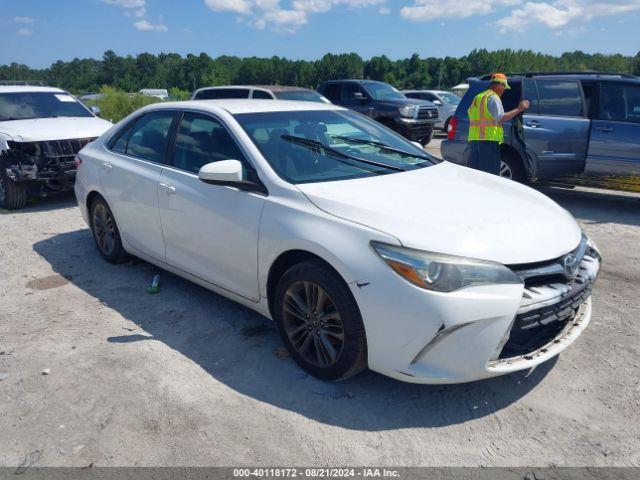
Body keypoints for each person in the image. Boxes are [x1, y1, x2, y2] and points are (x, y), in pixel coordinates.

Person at [467, 73, 529, 175]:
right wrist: (519, 109)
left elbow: (470, 114)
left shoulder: (478, 97)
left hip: (474, 141)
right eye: (504, 87)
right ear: (499, 85)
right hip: (488, 141)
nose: (504, 90)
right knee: (490, 175)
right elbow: (501, 117)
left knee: (476, 175)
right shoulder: (494, 98)